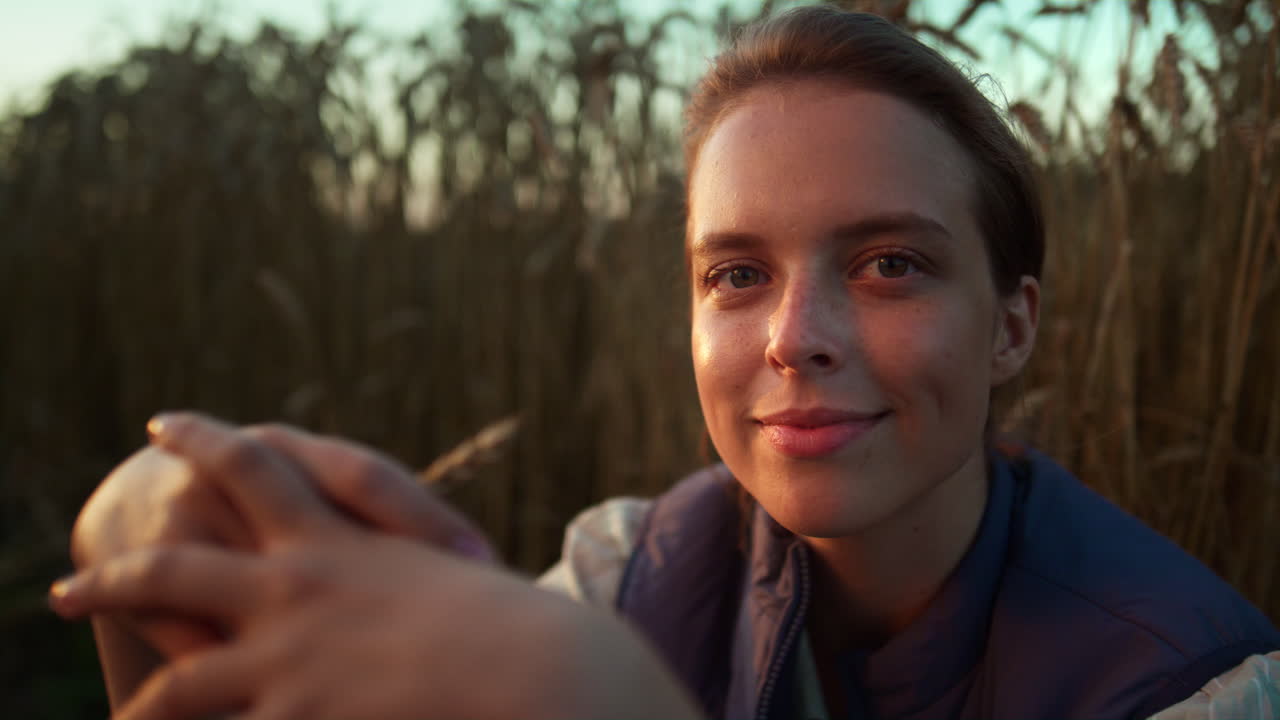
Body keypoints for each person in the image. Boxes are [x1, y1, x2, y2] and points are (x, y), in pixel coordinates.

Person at [51, 6, 1280, 720]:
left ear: (1012, 324)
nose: (793, 336)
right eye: (734, 273)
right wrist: (169, 566)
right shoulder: (625, 569)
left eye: (889, 264)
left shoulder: (1185, 684)